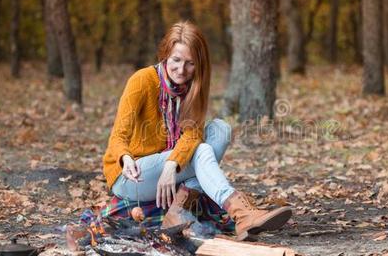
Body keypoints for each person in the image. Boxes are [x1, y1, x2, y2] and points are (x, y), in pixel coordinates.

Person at [102, 21, 292, 241]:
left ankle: (178, 207)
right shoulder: (142, 81)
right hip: (132, 176)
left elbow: (192, 134)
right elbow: (118, 135)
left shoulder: (193, 88)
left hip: (169, 167)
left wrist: (172, 164)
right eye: (176, 60)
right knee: (201, 151)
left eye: (190, 63)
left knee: (220, 129)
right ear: (165, 55)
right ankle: (241, 212)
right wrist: (125, 158)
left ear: (199, 64)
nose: (181, 70)